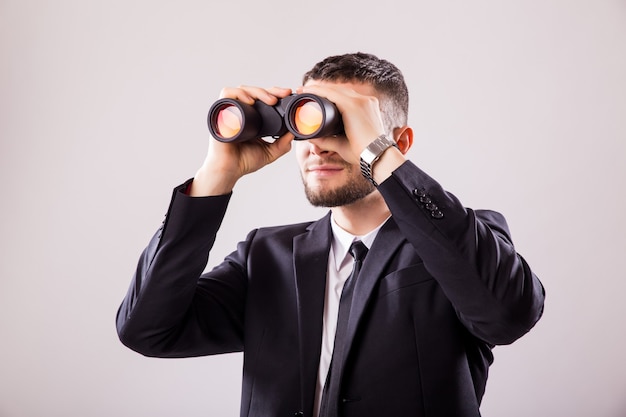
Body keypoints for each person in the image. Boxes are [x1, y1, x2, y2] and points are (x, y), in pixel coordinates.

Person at [116, 52, 545, 417]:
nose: (318, 144)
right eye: (308, 122)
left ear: (399, 143)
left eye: (341, 125)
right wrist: (215, 176)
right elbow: (147, 329)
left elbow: (509, 315)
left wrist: (378, 155)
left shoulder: (460, 241)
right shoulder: (267, 256)